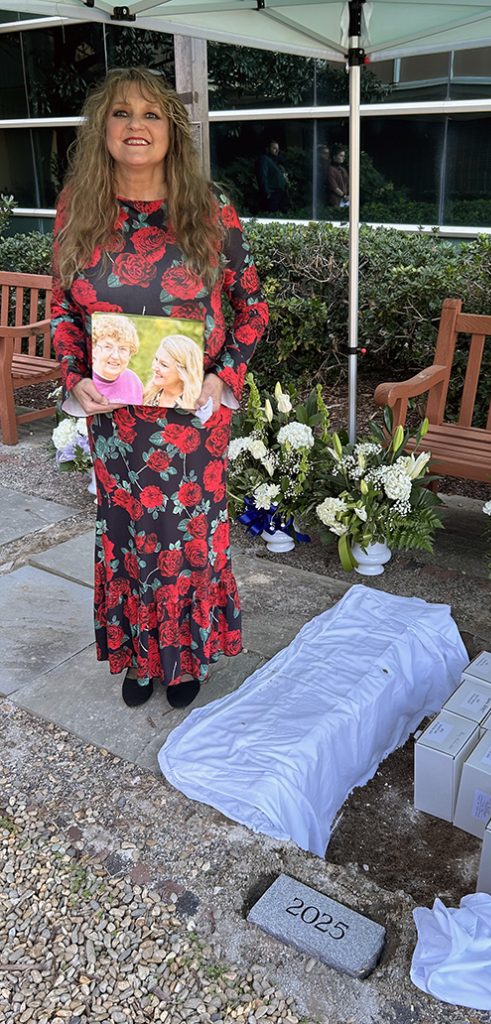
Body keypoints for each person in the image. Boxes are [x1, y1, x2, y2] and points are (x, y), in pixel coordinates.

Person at [51, 67, 268, 710]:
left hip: (193, 420)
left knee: (186, 537)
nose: (136, 126)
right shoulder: (76, 210)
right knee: (126, 535)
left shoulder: (210, 210)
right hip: (116, 421)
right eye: (121, 113)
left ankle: (184, 655)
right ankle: (139, 653)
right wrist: (75, 380)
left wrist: (223, 385)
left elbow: (250, 308)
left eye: (151, 115)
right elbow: (64, 311)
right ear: (102, 129)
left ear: (172, 131)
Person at [91, 313, 144, 404]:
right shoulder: (82, 382)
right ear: (93, 349)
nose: (115, 356)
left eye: (123, 349)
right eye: (108, 347)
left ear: (130, 354)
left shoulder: (133, 381)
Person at [143, 333, 203, 409]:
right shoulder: (148, 394)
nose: (154, 367)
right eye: (156, 359)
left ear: (183, 372)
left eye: (164, 365)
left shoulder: (195, 406)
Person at [255, 139, 289, 213]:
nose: (277, 151)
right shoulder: (264, 159)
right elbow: (262, 176)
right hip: (272, 193)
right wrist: (267, 193)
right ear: (267, 149)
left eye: (277, 149)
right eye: (274, 148)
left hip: (279, 193)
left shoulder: (274, 162)